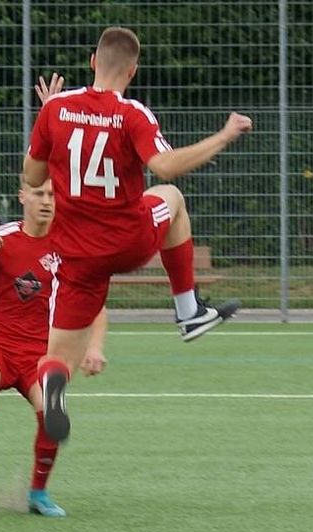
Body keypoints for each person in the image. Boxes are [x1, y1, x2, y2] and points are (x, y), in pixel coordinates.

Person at [22, 27, 253, 442]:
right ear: (132, 71)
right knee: (171, 197)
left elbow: (33, 176)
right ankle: (188, 311)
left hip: (76, 255)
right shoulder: (132, 114)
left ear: (93, 61)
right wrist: (224, 135)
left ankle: (54, 382)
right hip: (127, 241)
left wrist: (47, 122)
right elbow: (165, 167)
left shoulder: (55, 109)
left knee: (57, 357)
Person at [0, 77, 107, 518]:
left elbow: (95, 302)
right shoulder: (1, 239)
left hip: (42, 351)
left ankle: (37, 493)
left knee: (52, 409)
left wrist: (95, 346)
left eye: (53, 193)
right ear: (22, 196)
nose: (47, 200)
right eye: (39, 193)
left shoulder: (71, 245)